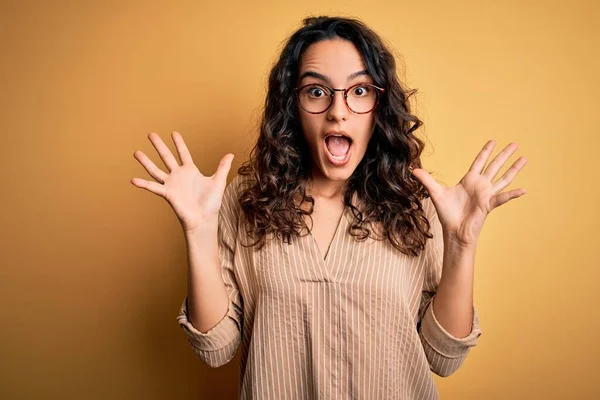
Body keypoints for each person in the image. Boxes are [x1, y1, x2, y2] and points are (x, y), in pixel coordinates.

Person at [131, 15, 527, 400]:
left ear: (379, 106)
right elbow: (215, 348)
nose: (338, 111)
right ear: (293, 106)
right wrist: (199, 232)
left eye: (359, 91)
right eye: (317, 91)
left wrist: (461, 244)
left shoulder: (420, 205)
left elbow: (444, 357)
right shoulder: (244, 200)